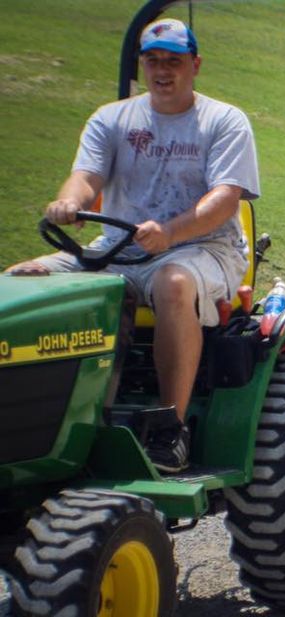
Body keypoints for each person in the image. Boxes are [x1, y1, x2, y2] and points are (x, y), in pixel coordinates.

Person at [7, 18, 260, 472]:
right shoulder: (113, 119)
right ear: (143, 64)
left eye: (174, 61)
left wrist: (170, 232)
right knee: (22, 281)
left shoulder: (223, 121)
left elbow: (225, 200)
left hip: (204, 248)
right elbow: (87, 176)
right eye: (153, 60)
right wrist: (70, 201)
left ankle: (170, 429)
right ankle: (58, 423)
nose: (163, 71)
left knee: (173, 283)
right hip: (117, 248)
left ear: (195, 65)